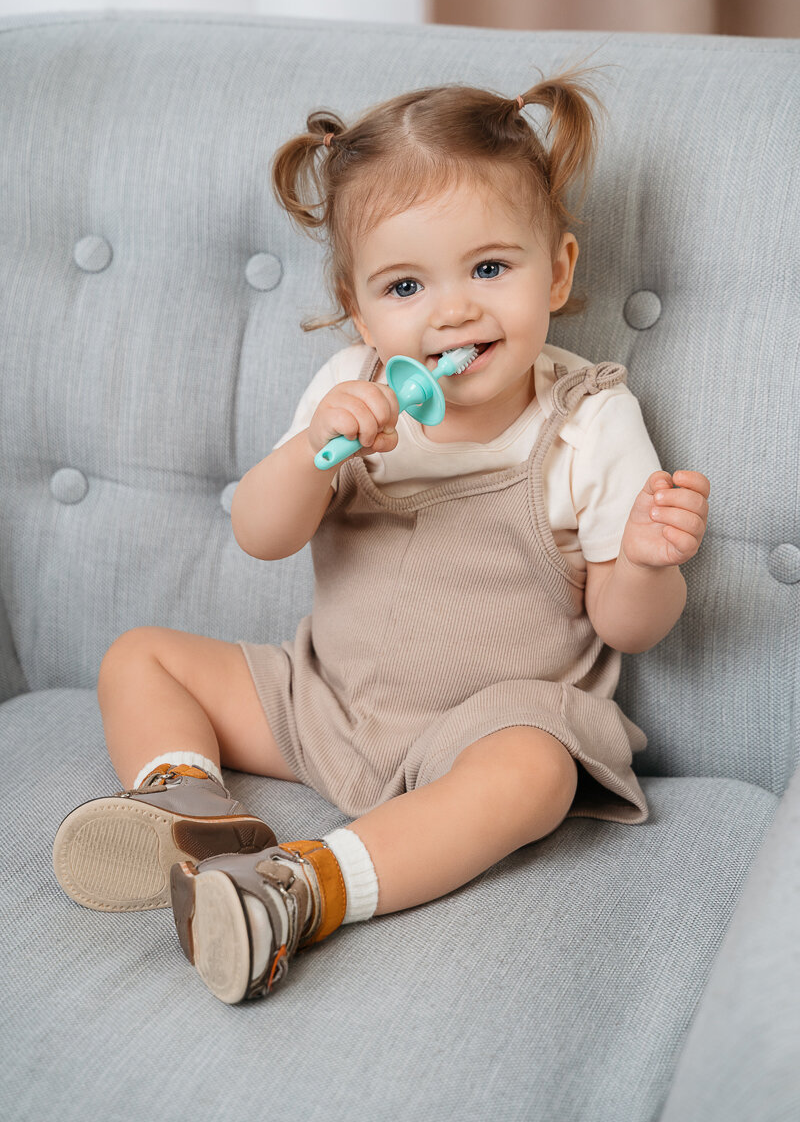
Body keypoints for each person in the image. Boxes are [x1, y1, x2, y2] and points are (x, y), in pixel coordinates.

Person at [53, 64, 711, 1005]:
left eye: (491, 269)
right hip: (323, 703)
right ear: (360, 309)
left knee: (536, 774)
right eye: (406, 285)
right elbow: (261, 535)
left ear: (558, 271)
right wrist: (313, 454)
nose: (453, 310)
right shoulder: (347, 389)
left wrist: (647, 560)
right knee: (141, 657)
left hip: (479, 728)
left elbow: (627, 626)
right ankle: (189, 808)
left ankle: (300, 890)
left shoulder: (588, 423)